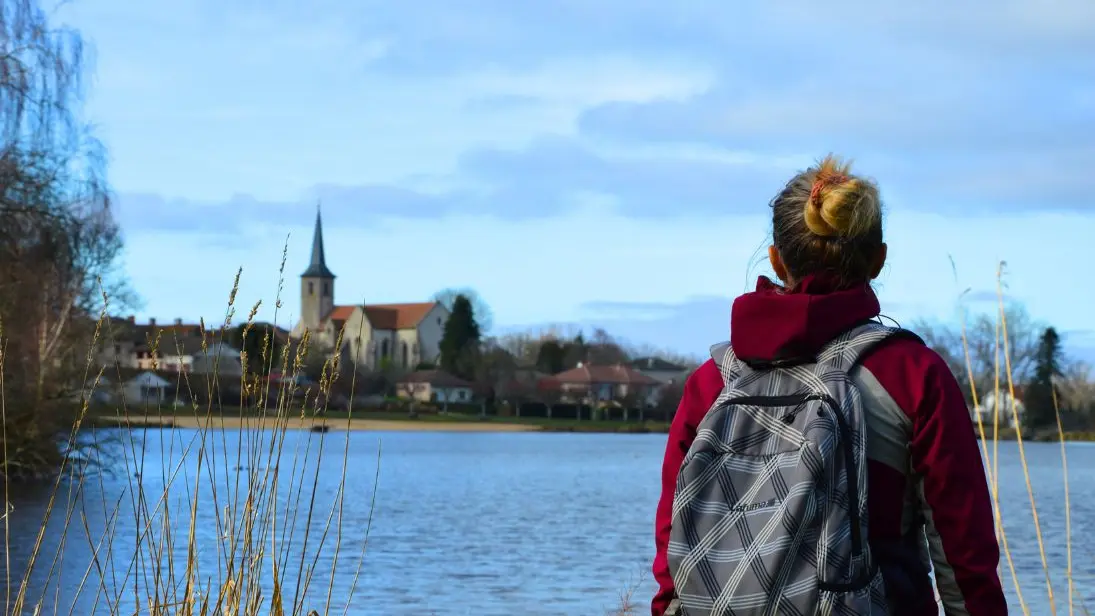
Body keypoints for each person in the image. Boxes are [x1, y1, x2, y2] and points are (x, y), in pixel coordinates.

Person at [651, 155, 1006, 616]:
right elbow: (963, 557)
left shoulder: (711, 382)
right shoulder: (912, 376)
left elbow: (673, 545)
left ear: (776, 258)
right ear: (878, 260)